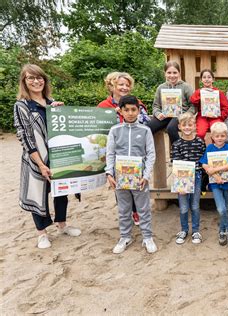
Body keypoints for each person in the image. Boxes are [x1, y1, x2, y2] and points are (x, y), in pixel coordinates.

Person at [13, 64, 81, 249]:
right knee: (38, 194)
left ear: (45, 80)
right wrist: (41, 164)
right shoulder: (22, 106)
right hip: (36, 159)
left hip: (58, 157)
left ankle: (62, 225)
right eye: (31, 78)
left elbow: (63, 129)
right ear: (24, 82)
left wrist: (62, 112)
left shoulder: (52, 103)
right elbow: (25, 137)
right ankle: (42, 234)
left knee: (61, 192)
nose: (36, 81)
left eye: (39, 77)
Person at [105, 95, 157, 254]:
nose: (130, 113)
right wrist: (109, 173)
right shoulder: (114, 130)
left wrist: (146, 176)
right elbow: (110, 154)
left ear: (138, 110)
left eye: (133, 109)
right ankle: (125, 236)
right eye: (126, 110)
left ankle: (147, 237)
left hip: (139, 178)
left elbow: (150, 154)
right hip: (120, 178)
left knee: (143, 208)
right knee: (123, 208)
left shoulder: (145, 130)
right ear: (120, 111)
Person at [97, 71, 147, 226]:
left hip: (135, 150)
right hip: (116, 151)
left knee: (136, 181)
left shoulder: (135, 102)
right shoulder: (103, 107)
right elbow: (96, 128)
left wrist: (128, 114)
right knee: (120, 184)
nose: (124, 87)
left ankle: (136, 211)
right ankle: (126, 214)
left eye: (127, 85)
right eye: (121, 84)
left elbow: (145, 121)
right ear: (112, 85)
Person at [171, 112, 206, 245]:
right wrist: (181, 185)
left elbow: (203, 160)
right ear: (179, 126)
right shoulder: (177, 144)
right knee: (184, 207)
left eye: (190, 125)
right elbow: (175, 163)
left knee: (195, 205)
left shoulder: (200, 142)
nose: (187, 127)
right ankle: (184, 229)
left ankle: (196, 230)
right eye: (184, 125)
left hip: (196, 176)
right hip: (182, 178)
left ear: (194, 126)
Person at [200, 122, 228, 247]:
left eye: (222, 136)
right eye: (217, 136)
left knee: (224, 207)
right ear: (213, 137)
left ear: (226, 136)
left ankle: (222, 230)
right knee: (221, 209)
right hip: (215, 183)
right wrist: (214, 175)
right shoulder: (210, 148)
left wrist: (215, 170)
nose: (220, 138)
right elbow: (204, 163)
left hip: (227, 182)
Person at [147, 61, 195, 145]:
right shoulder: (161, 87)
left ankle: (178, 152)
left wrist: (187, 115)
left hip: (180, 115)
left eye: (175, 73)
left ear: (179, 73)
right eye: (169, 73)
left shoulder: (186, 87)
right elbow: (155, 106)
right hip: (165, 115)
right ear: (165, 73)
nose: (172, 75)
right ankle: (146, 152)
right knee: (148, 128)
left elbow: (193, 106)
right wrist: (158, 113)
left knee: (171, 128)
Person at [190, 69, 228, 140]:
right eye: (204, 77)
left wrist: (220, 116)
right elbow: (193, 100)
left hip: (216, 117)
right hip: (202, 117)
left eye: (209, 77)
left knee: (217, 133)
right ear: (201, 80)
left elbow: (226, 107)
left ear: (213, 79)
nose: (207, 79)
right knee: (200, 134)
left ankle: (215, 150)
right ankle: (201, 149)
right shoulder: (199, 91)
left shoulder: (218, 92)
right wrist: (201, 93)